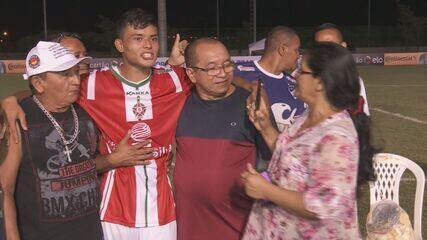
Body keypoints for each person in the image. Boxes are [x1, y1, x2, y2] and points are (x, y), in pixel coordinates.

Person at [0, 8, 189, 240]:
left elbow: (220, 82)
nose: (148, 45)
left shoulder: (174, 80)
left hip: (160, 211)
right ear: (120, 45)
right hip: (110, 211)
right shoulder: (91, 85)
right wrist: (10, 101)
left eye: (152, 39)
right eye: (138, 39)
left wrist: (249, 89)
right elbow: (43, 92)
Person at [241, 43, 376, 239]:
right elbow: (291, 158)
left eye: (302, 70)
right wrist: (265, 126)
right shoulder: (307, 117)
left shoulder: (337, 137)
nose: (294, 74)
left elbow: (321, 204)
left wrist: (265, 190)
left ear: (320, 82)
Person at [0, 41, 103, 240]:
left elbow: (89, 166)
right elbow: (6, 189)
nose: (75, 80)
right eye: (65, 74)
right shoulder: (20, 119)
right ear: (39, 84)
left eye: (75, 72)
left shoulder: (84, 114)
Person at [174, 38, 270, 240]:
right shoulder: (178, 103)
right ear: (191, 74)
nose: (223, 73)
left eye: (227, 64)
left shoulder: (252, 106)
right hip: (188, 231)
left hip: (239, 231)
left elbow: (277, 161)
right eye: (212, 68)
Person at [234, 26, 306, 133]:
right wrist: (248, 86)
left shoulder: (294, 85)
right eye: (296, 50)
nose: (298, 55)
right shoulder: (239, 72)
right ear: (282, 49)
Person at [314, 23, 370, 115]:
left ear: (343, 46)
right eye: (320, 46)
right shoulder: (301, 76)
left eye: (331, 45)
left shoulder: (352, 80)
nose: (325, 50)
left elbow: (360, 118)